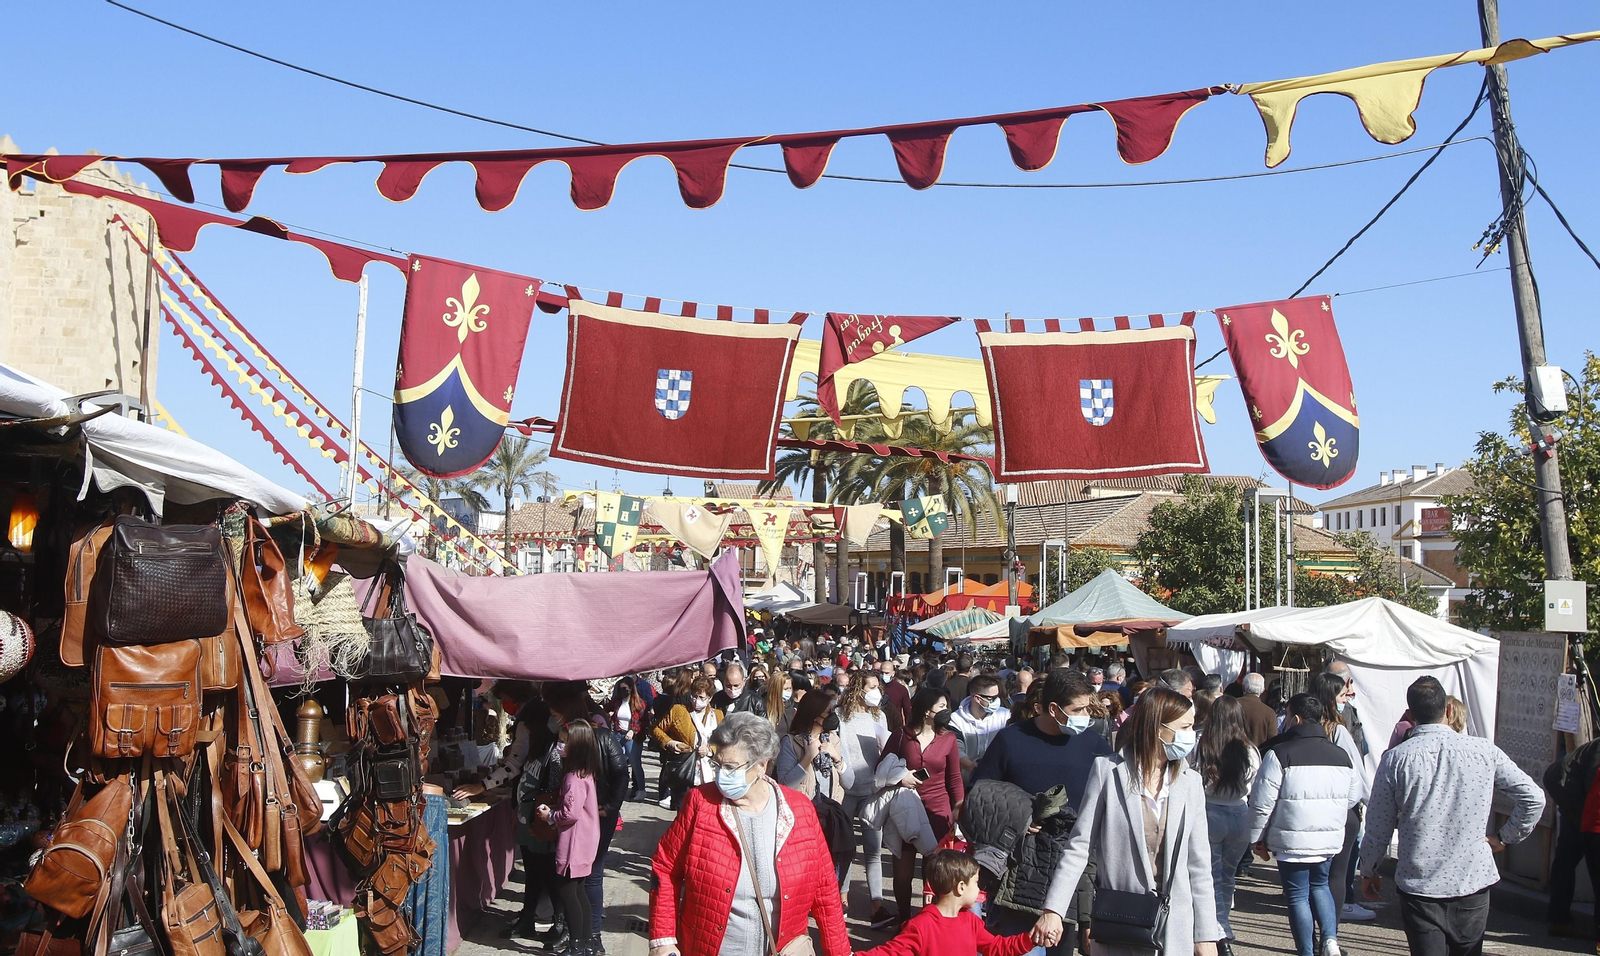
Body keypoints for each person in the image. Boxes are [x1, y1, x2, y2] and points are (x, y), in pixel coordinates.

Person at [1030, 687, 1222, 956]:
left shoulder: (1190, 783)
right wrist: (1053, 910)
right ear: (1157, 728)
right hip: (1121, 920)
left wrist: (1205, 936)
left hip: (1174, 928)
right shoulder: (1108, 772)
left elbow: (1199, 865)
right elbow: (1079, 847)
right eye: (1185, 727)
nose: (1191, 736)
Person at [1359, 677, 1544, 956]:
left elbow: (1378, 825)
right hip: (1471, 878)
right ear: (1448, 710)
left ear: (1410, 715)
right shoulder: (1484, 751)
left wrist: (1369, 869)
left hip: (1420, 882)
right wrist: (1504, 838)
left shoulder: (1396, 759)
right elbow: (1533, 797)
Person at [648, 712, 850, 956]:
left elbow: (826, 889)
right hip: (711, 947)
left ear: (762, 765)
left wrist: (839, 951)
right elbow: (666, 867)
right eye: (717, 765)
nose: (722, 774)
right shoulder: (699, 803)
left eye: (731, 767)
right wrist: (663, 939)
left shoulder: (800, 811)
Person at [973, 669, 1112, 954]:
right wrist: (1018, 815)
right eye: (1079, 709)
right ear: (1053, 708)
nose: (1086, 715)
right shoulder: (1011, 740)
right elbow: (979, 794)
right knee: (1020, 947)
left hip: (1072, 868)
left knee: (1061, 947)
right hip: (1021, 871)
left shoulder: (1095, 745)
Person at [1247, 693, 1360, 956]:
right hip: (1327, 837)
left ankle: (1307, 951)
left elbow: (1262, 803)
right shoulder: (1341, 755)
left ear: (1295, 718)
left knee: (1298, 895)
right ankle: (1330, 940)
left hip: (1291, 840)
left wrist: (1256, 837)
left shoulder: (1279, 754)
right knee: (1320, 885)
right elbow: (1353, 796)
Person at [883, 687, 964, 929]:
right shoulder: (901, 735)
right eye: (941, 706)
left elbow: (955, 778)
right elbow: (882, 767)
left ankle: (930, 923)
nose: (946, 711)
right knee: (902, 872)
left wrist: (959, 805)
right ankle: (904, 919)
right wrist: (900, 778)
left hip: (938, 811)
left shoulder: (949, 738)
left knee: (935, 872)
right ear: (927, 710)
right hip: (906, 809)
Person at [855, 849, 1035, 956]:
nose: (980, 888)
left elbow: (997, 947)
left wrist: (1031, 939)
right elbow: (890, 953)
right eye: (976, 882)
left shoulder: (971, 922)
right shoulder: (921, 926)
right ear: (961, 887)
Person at [1194, 696, 1260, 956]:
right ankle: (1221, 925)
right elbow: (1253, 784)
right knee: (1227, 876)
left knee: (1210, 876)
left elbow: (1193, 777)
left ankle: (1217, 929)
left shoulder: (1202, 745)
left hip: (1209, 812)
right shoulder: (1250, 750)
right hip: (1239, 814)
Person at [1309, 672, 1373, 923]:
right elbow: (1356, 773)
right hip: (1339, 809)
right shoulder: (1337, 731)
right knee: (1336, 874)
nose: (1346, 697)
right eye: (1341, 694)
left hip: (1310, 809)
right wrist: (1364, 802)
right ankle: (1330, 931)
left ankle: (1315, 930)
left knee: (1313, 876)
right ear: (1329, 698)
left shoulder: (1301, 727)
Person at [536, 719, 602, 956]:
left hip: (574, 842)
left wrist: (549, 815)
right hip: (586, 839)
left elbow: (569, 813)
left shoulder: (573, 778)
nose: (559, 746)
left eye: (564, 742)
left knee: (567, 891)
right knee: (579, 891)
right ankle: (587, 942)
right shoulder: (586, 773)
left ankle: (576, 945)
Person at [838, 675, 895, 928]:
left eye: (878, 687)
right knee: (845, 849)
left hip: (872, 790)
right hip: (846, 791)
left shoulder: (878, 717)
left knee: (874, 850)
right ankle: (842, 898)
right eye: (873, 687)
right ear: (858, 689)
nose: (877, 691)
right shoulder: (841, 715)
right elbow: (841, 752)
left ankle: (877, 905)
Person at [652, 676, 723, 810]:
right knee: (683, 811)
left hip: (709, 772)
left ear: (710, 698)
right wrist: (669, 742)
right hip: (683, 769)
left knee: (704, 812)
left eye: (702, 698)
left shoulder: (718, 715)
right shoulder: (678, 710)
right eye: (694, 696)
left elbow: (723, 742)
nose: (697, 701)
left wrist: (710, 749)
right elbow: (655, 729)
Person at [776, 689, 849, 803]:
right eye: (828, 712)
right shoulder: (791, 742)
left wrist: (837, 759)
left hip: (831, 812)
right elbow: (785, 785)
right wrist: (808, 757)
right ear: (815, 715)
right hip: (805, 812)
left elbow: (849, 783)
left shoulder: (833, 739)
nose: (832, 716)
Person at [949, 674, 1011, 777]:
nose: (997, 701)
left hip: (999, 780)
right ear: (977, 698)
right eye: (992, 698)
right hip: (969, 780)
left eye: (997, 696)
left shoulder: (1005, 716)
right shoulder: (956, 719)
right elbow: (956, 747)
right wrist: (972, 766)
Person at [1238, 673, 1281, 747]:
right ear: (1263, 690)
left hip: (1231, 755)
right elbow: (1273, 741)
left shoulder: (1230, 706)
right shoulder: (1269, 713)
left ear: (1243, 688)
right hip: (1260, 756)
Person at [881, 658, 914, 732]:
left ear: (893, 673)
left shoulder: (901, 689)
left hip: (895, 726)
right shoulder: (875, 687)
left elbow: (907, 712)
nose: (883, 675)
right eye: (881, 672)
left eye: (887, 673)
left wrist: (908, 730)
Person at [765, 671, 794, 735]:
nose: (789, 692)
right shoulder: (763, 709)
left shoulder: (791, 709)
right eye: (786, 689)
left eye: (790, 688)